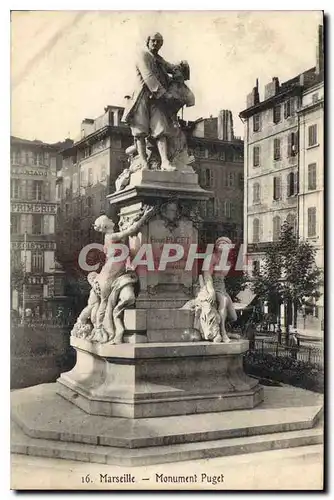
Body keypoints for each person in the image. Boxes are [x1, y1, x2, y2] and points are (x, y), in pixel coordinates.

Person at [122, 32, 193, 171]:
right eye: (154, 41)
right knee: (140, 130)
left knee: (160, 128)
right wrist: (164, 95)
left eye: (159, 42)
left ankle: (165, 161)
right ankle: (143, 162)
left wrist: (179, 67)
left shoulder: (158, 59)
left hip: (156, 99)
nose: (156, 44)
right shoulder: (143, 55)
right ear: (148, 41)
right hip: (142, 96)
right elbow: (149, 77)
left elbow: (170, 67)